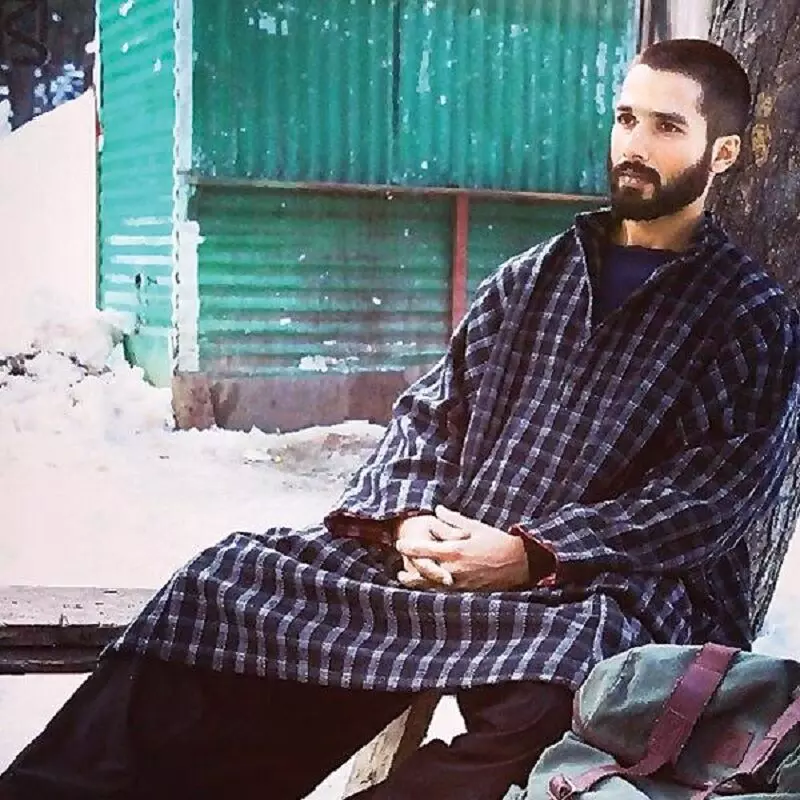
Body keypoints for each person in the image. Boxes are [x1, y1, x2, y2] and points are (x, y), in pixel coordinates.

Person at [2, 38, 799, 800]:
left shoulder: (749, 317)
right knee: (228, 581)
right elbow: (429, 415)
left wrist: (533, 555)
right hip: (442, 552)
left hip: (594, 587)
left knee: (562, 696)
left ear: (723, 152)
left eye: (667, 127)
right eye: (626, 118)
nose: (635, 144)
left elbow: (706, 499)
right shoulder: (532, 278)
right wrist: (409, 519)